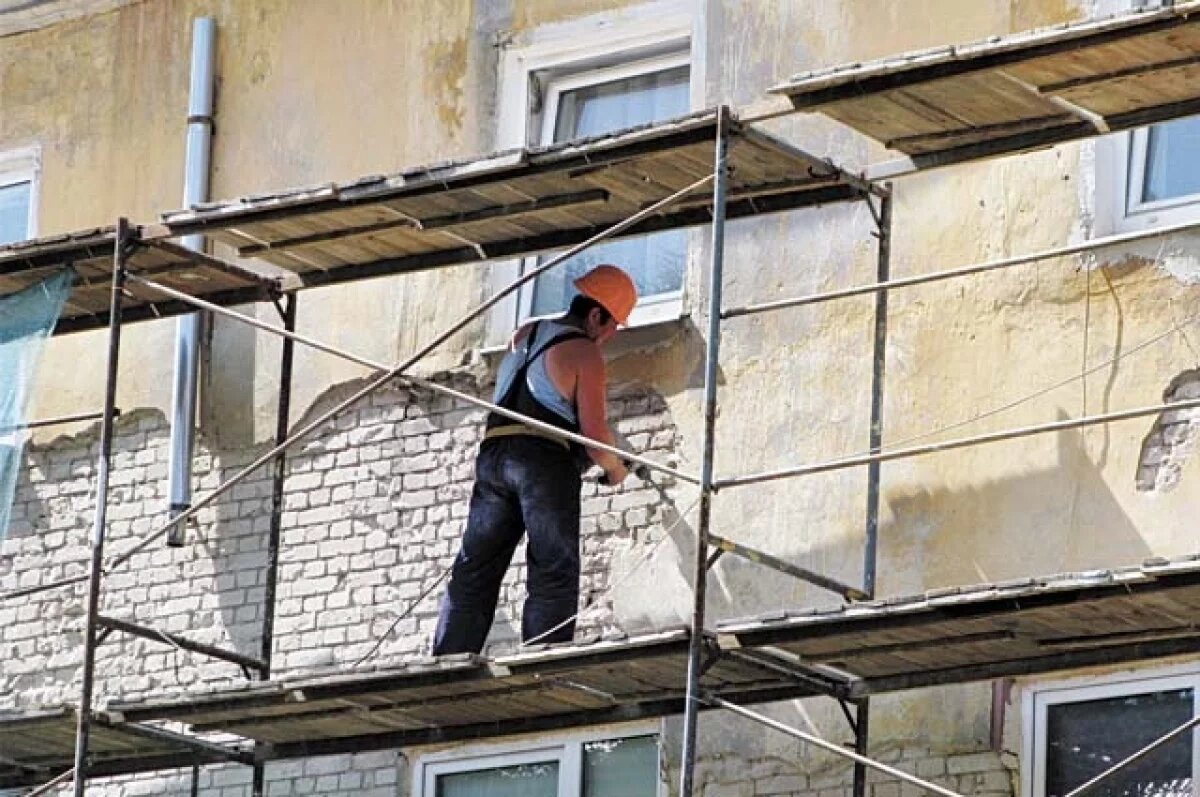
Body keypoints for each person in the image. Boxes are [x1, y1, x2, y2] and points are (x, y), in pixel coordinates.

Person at [432, 264, 637, 655]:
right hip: (541, 462)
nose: (609, 338)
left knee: (475, 569)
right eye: (611, 327)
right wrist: (615, 469)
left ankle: (449, 658)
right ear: (596, 315)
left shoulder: (525, 334)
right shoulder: (583, 351)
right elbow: (594, 439)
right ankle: (544, 660)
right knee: (553, 568)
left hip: (493, 456)